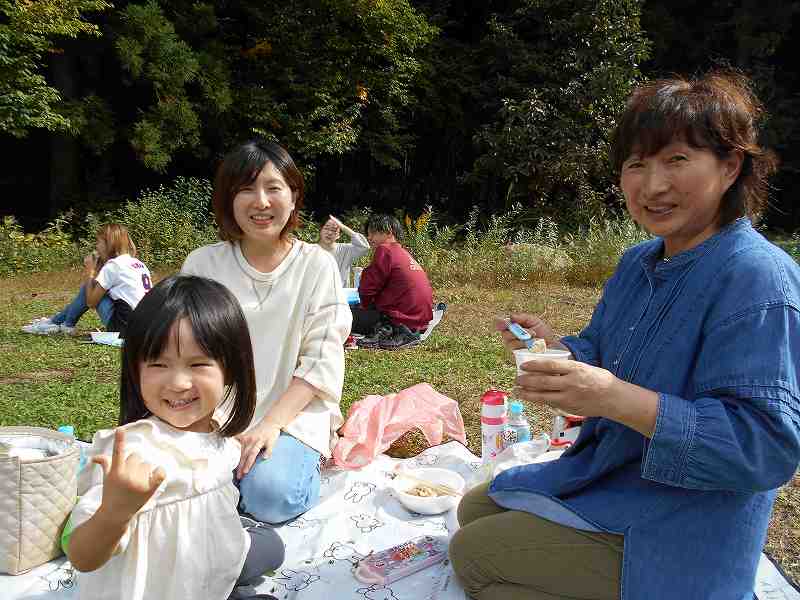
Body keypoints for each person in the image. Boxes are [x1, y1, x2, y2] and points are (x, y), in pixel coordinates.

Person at [449, 71, 800, 600]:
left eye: (676, 159)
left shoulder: (758, 278)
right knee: (473, 508)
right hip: (615, 476)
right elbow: (601, 351)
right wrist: (554, 351)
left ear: (730, 167)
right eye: (636, 164)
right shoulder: (638, 263)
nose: (652, 186)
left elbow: (764, 448)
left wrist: (612, 397)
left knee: (475, 556)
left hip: (688, 520)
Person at [64, 275, 283, 600]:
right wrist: (115, 512)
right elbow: (82, 557)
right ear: (135, 369)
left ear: (230, 369)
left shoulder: (218, 434)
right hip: (157, 587)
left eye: (198, 364)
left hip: (210, 568)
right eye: (158, 364)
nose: (178, 383)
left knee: (274, 547)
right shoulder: (133, 454)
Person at [181, 139, 351, 524]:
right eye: (246, 189)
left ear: (293, 196)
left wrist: (271, 424)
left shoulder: (316, 266)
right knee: (168, 480)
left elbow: (322, 358)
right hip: (214, 412)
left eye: (273, 188)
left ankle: (302, 461)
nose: (260, 202)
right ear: (228, 199)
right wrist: (209, 421)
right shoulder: (203, 265)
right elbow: (184, 353)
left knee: (271, 495)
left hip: (292, 413)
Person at [21, 223, 151, 338]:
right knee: (93, 286)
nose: (96, 246)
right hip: (144, 327)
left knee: (88, 287)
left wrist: (90, 272)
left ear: (109, 244)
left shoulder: (114, 266)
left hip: (123, 328)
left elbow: (91, 302)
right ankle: (56, 322)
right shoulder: (139, 264)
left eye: (99, 242)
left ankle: (64, 325)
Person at [351, 214, 433, 350]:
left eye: (373, 233)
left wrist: (363, 306)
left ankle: (388, 329)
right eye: (368, 234)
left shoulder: (385, 250)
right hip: (421, 321)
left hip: (401, 320)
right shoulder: (402, 252)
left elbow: (367, 289)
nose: (369, 238)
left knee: (343, 314)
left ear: (389, 232)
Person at [317, 214, 370, 286]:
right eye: (326, 228)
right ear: (320, 230)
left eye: (334, 230)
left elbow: (364, 246)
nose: (329, 233)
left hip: (339, 291)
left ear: (339, 235)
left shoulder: (345, 249)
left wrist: (342, 227)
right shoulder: (311, 250)